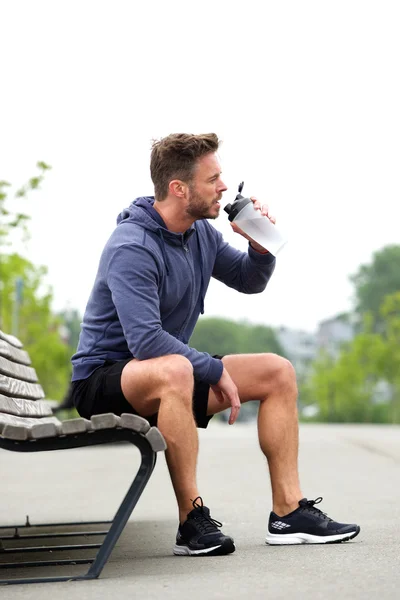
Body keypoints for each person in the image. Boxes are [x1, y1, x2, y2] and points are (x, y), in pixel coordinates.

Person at [70, 133, 360, 556]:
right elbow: (146, 340)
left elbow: (248, 280)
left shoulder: (199, 235)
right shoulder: (132, 245)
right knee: (176, 369)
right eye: (214, 179)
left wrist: (260, 247)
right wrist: (213, 368)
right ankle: (192, 522)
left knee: (277, 371)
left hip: (170, 372)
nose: (224, 187)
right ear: (179, 188)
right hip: (105, 380)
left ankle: (288, 511)